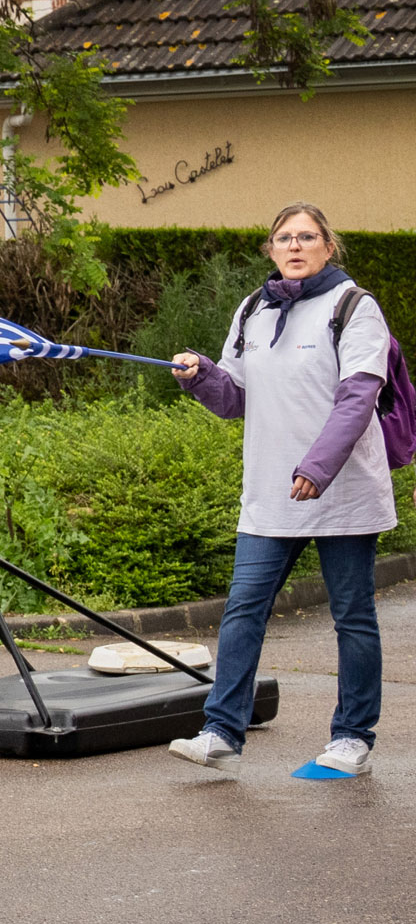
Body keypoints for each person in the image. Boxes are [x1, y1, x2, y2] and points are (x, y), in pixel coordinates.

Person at [166, 202, 393, 778]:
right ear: (270, 249)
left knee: (352, 616)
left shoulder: (355, 308)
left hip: (341, 493)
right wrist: (202, 376)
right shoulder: (253, 310)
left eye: (307, 237)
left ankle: (352, 739)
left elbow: (358, 397)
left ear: (328, 246)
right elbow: (235, 398)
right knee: (243, 611)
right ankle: (220, 730)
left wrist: (317, 468)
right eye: (283, 238)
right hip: (269, 494)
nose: (295, 246)